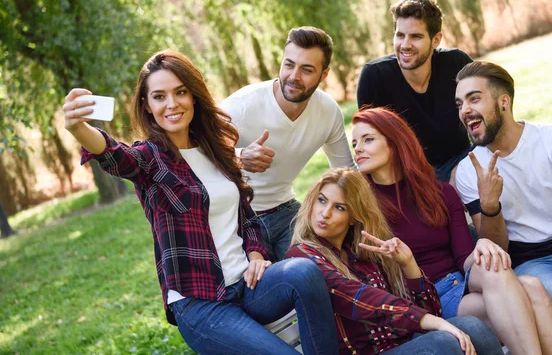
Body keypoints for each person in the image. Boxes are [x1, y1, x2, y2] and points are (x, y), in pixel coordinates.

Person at [62, 50, 338, 354]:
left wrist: (257, 255)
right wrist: (78, 128)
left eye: (180, 92)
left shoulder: (215, 150)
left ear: (193, 96)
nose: (172, 104)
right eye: (159, 96)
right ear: (147, 105)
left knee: (306, 274)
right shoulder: (150, 159)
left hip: (247, 285)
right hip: (201, 304)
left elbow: (246, 217)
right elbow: (115, 155)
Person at [351, 107, 552, 355]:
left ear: (395, 142)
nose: (357, 148)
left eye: (368, 139)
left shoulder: (441, 193)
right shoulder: (362, 208)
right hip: (426, 301)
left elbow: (464, 259)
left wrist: (481, 246)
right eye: (354, 143)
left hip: (462, 284)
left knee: (505, 270)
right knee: (529, 290)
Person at [454, 60, 552, 339]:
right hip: (533, 261)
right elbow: (496, 248)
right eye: (460, 103)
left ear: (504, 102)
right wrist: (489, 207)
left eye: (474, 98)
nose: (465, 110)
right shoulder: (468, 170)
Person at [287, 168, 503, 355]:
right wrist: (436, 323)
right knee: (443, 342)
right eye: (322, 200)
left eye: (339, 207)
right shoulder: (302, 255)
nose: (325, 213)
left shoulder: (366, 253)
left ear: (353, 217)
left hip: (404, 344)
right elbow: (358, 297)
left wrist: (409, 265)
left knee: (472, 327)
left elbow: (431, 312)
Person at [221, 26, 354, 261]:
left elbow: (346, 172)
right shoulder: (241, 106)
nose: (294, 76)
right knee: (269, 288)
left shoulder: (328, 111)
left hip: (287, 212)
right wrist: (239, 156)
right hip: (238, 217)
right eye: (289, 64)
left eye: (307, 69)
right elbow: (193, 153)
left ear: (324, 75)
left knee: (320, 271)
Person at [356, 0, 473, 182]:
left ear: (436, 40)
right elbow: (370, 142)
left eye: (416, 36)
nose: (405, 45)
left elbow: (486, 108)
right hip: (410, 176)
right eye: (400, 35)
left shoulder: (457, 63)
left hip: (461, 160)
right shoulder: (375, 76)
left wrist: (465, 168)